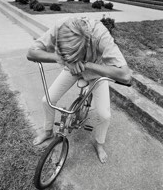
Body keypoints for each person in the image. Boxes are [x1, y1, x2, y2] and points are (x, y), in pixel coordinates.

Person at [27, 16, 132, 163]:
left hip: (95, 73)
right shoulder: (62, 27)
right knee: (47, 100)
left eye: (75, 55)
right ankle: (48, 131)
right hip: (70, 68)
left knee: (104, 115)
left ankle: (99, 143)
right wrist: (64, 60)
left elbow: (126, 76)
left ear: (87, 44)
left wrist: (86, 64)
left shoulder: (100, 34)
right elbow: (31, 53)